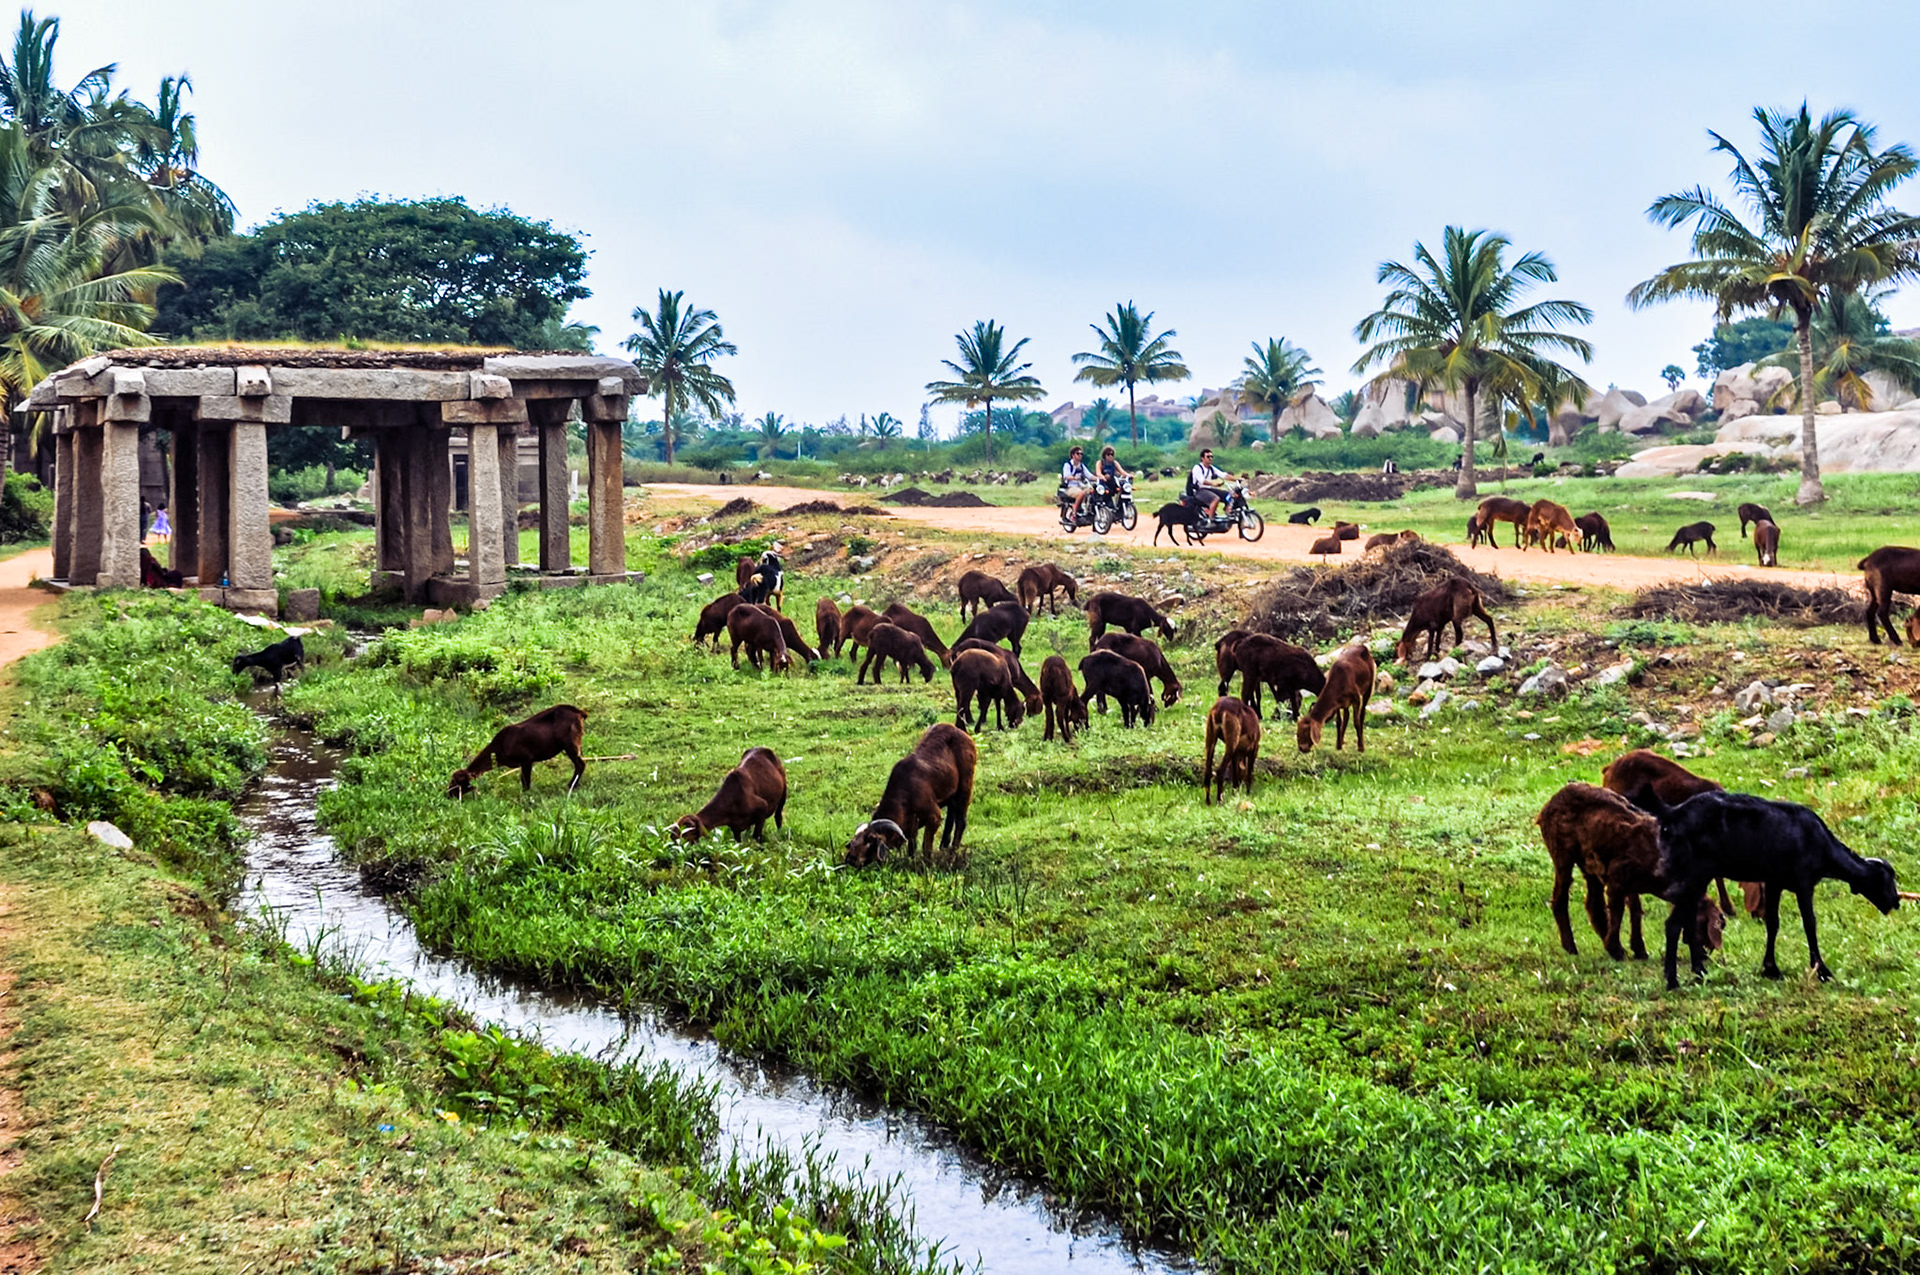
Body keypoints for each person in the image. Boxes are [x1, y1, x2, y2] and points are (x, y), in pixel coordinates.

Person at [1187, 448, 1236, 522]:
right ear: (1202, 458)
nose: (1210, 458)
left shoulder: (1211, 468)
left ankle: (1227, 513)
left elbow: (1223, 475)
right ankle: (1211, 520)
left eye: (1211, 457)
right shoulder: (1197, 468)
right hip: (1199, 491)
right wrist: (1213, 483)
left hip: (1208, 489)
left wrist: (1237, 479)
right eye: (1208, 457)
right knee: (1215, 499)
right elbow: (1202, 481)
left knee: (1229, 495)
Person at [1059, 445, 1094, 526]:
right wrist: (1075, 478)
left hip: (1080, 486)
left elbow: (1089, 475)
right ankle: (1074, 512)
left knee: (1092, 490)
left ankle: (1088, 509)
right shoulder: (1068, 465)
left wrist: (1100, 478)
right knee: (1081, 493)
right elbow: (1066, 476)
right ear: (1073, 455)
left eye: (1081, 454)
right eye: (1078, 453)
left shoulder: (1081, 465)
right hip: (1070, 487)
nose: (1080, 455)